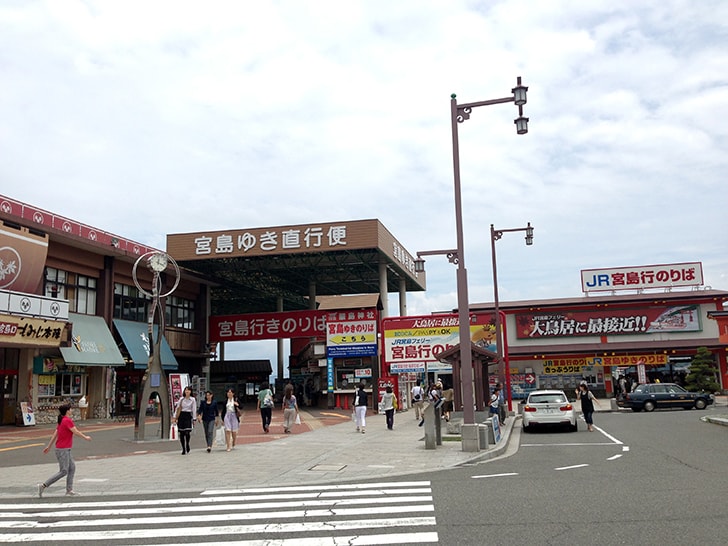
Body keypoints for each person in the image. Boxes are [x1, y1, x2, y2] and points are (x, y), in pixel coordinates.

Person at [38, 404, 91, 497]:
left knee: (72, 468)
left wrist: (49, 446)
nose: (71, 411)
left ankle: (69, 490)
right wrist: (85, 437)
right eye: (70, 409)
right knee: (64, 471)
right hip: (63, 450)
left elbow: (55, 434)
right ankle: (44, 485)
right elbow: (75, 431)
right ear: (67, 411)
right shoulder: (67, 420)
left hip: (64, 449)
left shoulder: (62, 420)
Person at [173, 386, 197, 455]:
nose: (187, 392)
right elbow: (178, 408)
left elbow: (194, 409)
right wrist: (175, 417)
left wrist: (194, 418)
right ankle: (183, 448)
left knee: (187, 432)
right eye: (186, 390)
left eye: (188, 390)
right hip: (181, 415)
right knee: (182, 433)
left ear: (191, 392)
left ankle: (187, 444)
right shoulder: (181, 399)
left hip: (188, 415)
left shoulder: (192, 399)